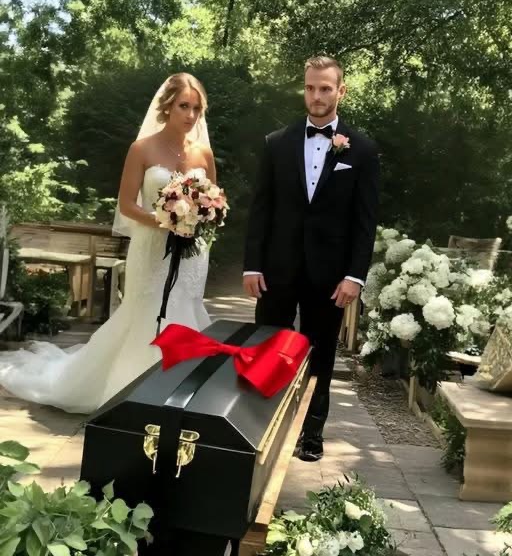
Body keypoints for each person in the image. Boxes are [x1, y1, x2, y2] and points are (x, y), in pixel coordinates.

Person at [0, 73, 214, 414]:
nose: (190, 115)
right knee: (146, 315)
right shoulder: (142, 149)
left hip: (190, 255)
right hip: (151, 247)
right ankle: (133, 391)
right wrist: (165, 220)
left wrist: (198, 218)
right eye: (183, 106)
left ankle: (177, 396)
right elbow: (128, 205)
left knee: (185, 312)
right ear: (167, 107)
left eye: (196, 108)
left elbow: (212, 200)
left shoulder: (203, 152)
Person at [243, 56, 379, 461]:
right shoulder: (276, 143)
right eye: (309, 88)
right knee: (267, 347)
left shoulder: (364, 150)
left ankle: (311, 434)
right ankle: (257, 424)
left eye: (324, 88)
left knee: (321, 352)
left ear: (341, 91)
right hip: (277, 270)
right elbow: (261, 209)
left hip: (331, 274)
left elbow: (365, 221)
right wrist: (252, 264)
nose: (316, 96)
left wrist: (355, 275)